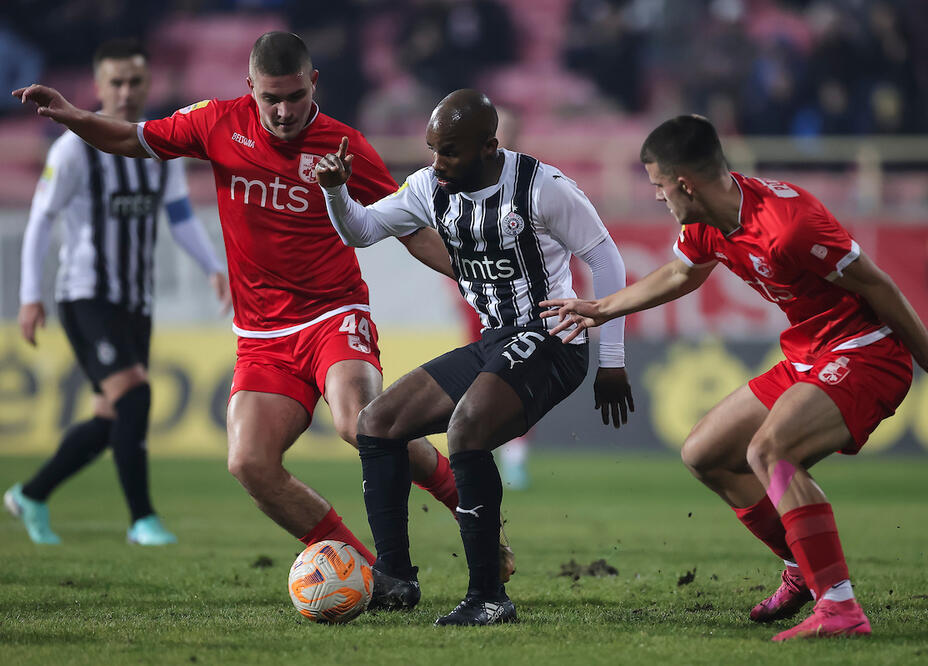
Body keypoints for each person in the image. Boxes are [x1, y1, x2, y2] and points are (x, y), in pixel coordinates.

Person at [10, 32, 478, 571]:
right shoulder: (216, 122)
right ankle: (361, 570)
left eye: (294, 96)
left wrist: (470, 278)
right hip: (261, 337)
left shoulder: (343, 145)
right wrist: (73, 116)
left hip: (333, 314)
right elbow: (129, 138)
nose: (282, 112)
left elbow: (410, 228)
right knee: (250, 463)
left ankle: (469, 509)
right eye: (270, 98)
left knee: (360, 424)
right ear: (249, 87)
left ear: (313, 83)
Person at [540, 115, 928, 641]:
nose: (656, 197)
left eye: (657, 185)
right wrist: (601, 308)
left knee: (769, 451)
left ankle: (840, 609)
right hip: (809, 354)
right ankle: (803, 563)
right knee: (704, 453)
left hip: (867, 352)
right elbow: (681, 272)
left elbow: (877, 282)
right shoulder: (706, 221)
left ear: (683, 182)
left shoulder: (788, 225)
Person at [318, 88, 635, 626]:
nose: (437, 164)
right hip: (496, 338)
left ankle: (489, 596)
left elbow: (606, 261)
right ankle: (395, 578)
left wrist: (611, 358)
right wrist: (336, 192)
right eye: (433, 149)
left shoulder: (543, 187)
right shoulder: (428, 186)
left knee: (466, 431)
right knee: (377, 423)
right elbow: (362, 230)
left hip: (553, 337)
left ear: (490, 148)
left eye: (451, 153)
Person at [4, 38, 228, 546]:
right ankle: (142, 520)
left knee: (111, 418)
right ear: (99, 86)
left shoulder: (159, 146)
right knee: (136, 394)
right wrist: (30, 295)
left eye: (135, 82)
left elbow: (177, 215)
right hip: (87, 295)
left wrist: (213, 266)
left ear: (147, 85)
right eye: (117, 82)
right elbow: (41, 218)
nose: (126, 92)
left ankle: (31, 494)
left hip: (135, 302)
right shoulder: (74, 147)